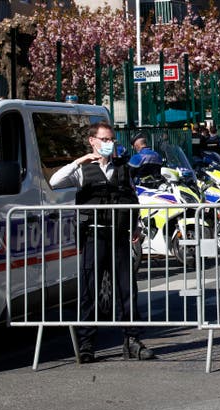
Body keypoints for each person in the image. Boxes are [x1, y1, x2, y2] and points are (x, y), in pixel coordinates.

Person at [49, 121, 155, 363]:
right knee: (89, 292)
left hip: (118, 235)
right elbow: (55, 181)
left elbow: (132, 197)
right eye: (105, 139)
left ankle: (133, 341)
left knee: (127, 290)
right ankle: (86, 345)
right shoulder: (82, 170)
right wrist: (80, 160)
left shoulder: (122, 168)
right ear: (92, 141)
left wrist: (136, 223)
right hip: (94, 236)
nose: (109, 144)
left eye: (112, 140)